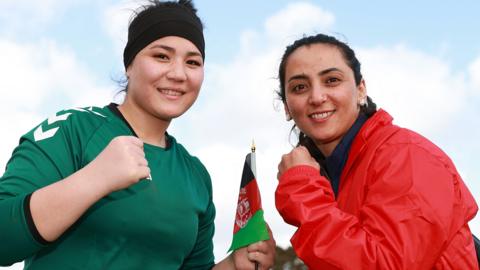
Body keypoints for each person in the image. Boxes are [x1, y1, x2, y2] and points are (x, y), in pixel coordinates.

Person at [0, 0, 275, 269]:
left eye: (193, 62)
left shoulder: (196, 175)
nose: (179, 74)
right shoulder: (72, 129)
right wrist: (93, 180)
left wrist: (233, 265)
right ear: (129, 65)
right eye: (161, 56)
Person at [274, 33, 478, 269]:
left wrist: (302, 189)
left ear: (361, 90)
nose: (317, 97)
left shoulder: (405, 155)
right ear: (288, 107)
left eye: (331, 80)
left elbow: (387, 264)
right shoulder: (324, 173)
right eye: (300, 87)